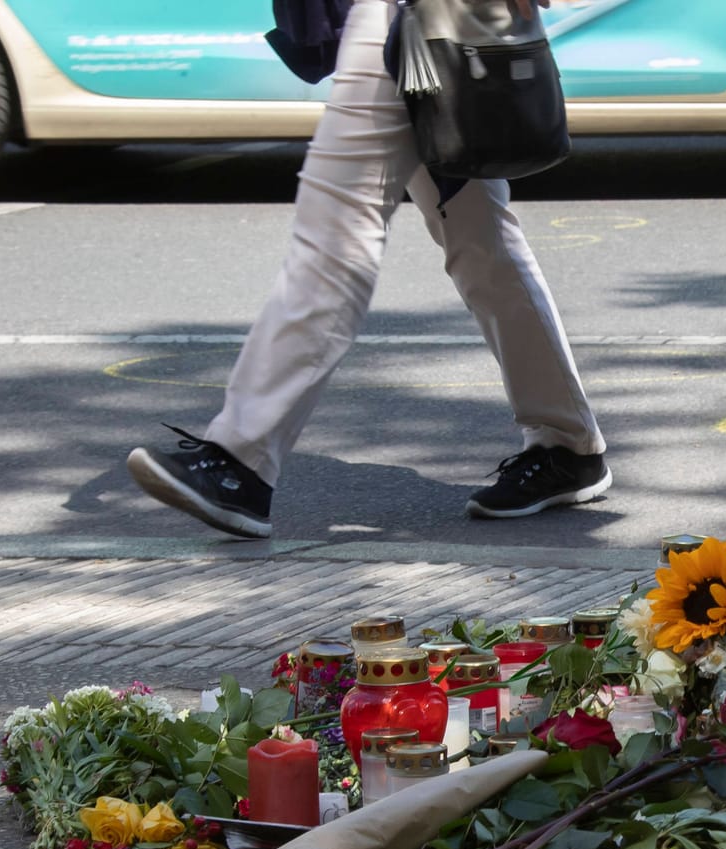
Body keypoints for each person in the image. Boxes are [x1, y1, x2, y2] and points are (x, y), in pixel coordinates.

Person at [126, 0, 606, 539]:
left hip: (411, 18)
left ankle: (242, 456)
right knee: (480, 238)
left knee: (335, 231)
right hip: (431, 21)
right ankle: (567, 445)